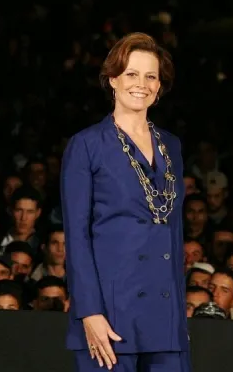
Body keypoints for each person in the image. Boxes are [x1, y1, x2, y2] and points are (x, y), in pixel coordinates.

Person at [61, 32, 190, 371]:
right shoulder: (86, 145)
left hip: (165, 318)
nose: (142, 84)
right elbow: (77, 235)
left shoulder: (171, 146)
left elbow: (174, 233)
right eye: (132, 74)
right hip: (111, 313)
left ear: (160, 86)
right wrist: (89, 311)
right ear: (113, 79)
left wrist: (179, 318)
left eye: (151, 76)